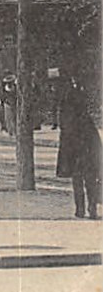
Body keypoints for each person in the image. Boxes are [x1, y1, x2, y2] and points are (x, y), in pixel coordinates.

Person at [57, 79, 100, 219]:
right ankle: (92, 208)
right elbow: (97, 144)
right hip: (88, 156)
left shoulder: (68, 124)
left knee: (77, 181)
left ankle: (80, 209)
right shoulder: (88, 123)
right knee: (90, 181)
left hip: (75, 156)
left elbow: (65, 144)